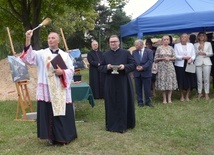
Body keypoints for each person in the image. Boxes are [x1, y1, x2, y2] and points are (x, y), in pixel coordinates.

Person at [20, 30, 77, 145]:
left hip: (60, 88)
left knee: (61, 112)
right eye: (49, 38)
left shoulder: (65, 55)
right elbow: (28, 57)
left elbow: (71, 70)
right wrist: (28, 39)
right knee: (48, 111)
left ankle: (63, 136)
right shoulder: (41, 53)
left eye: (53, 38)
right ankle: (51, 137)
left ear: (58, 40)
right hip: (47, 87)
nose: (50, 40)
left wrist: (62, 72)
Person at [98, 35, 136, 133]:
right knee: (111, 103)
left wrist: (124, 67)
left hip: (123, 82)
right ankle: (111, 125)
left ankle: (125, 124)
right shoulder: (105, 55)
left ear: (119, 42)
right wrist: (107, 67)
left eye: (115, 41)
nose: (113, 43)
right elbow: (100, 67)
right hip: (110, 82)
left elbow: (133, 65)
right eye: (111, 42)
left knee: (123, 102)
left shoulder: (126, 53)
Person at [154, 35, 177, 104]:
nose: (166, 41)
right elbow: (155, 59)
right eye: (164, 39)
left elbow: (174, 57)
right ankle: (164, 99)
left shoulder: (171, 48)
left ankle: (169, 98)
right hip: (162, 67)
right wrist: (163, 58)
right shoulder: (159, 48)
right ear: (162, 40)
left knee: (169, 81)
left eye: (167, 39)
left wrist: (169, 58)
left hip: (170, 66)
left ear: (169, 41)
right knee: (163, 82)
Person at [174, 33, 197, 101]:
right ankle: (181, 96)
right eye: (182, 37)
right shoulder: (176, 45)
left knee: (189, 79)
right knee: (180, 79)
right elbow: (175, 55)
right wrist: (183, 57)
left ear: (187, 38)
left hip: (190, 63)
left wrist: (191, 59)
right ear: (180, 38)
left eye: (185, 37)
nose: (184, 38)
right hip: (180, 64)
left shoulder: (191, 45)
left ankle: (187, 95)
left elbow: (193, 54)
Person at [132, 39, 153, 107]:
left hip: (146, 72)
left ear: (141, 45)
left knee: (147, 88)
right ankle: (140, 102)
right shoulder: (134, 52)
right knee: (138, 88)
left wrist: (143, 67)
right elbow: (133, 61)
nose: (135, 46)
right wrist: (136, 66)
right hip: (137, 73)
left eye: (136, 45)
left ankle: (148, 101)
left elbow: (150, 61)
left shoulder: (149, 51)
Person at [194, 32, 213, 100]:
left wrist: (205, 53)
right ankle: (199, 93)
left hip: (207, 62)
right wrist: (198, 49)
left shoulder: (208, 43)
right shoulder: (195, 44)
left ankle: (206, 93)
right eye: (200, 36)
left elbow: (211, 53)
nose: (201, 37)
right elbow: (194, 54)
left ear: (205, 37)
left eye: (203, 36)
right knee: (199, 79)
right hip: (198, 62)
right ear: (198, 37)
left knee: (206, 79)